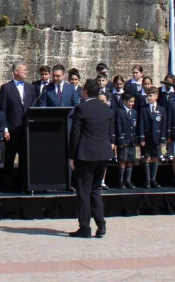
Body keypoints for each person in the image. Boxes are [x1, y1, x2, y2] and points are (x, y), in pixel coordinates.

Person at [68, 79, 115, 238]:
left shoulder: (81, 108)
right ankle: (101, 225)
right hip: (103, 153)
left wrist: (71, 155)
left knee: (84, 190)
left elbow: (75, 134)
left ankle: (85, 227)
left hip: (86, 154)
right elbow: (110, 132)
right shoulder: (106, 108)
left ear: (86, 91)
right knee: (95, 189)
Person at [0, 62, 37, 192]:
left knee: (25, 159)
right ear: (15, 72)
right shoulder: (6, 88)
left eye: (26, 70)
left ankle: (22, 185)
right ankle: (7, 186)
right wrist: (4, 129)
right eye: (23, 70)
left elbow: (33, 107)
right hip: (12, 129)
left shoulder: (30, 88)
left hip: (26, 129)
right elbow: (2, 110)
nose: (26, 72)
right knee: (9, 158)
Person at [138, 87, 164, 188]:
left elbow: (163, 125)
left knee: (155, 158)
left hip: (157, 137)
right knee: (147, 158)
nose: (148, 98)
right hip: (147, 137)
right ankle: (147, 180)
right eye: (147, 96)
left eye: (150, 95)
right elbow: (141, 124)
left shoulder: (161, 109)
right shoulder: (144, 109)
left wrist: (162, 138)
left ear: (156, 96)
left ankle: (153, 179)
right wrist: (141, 138)